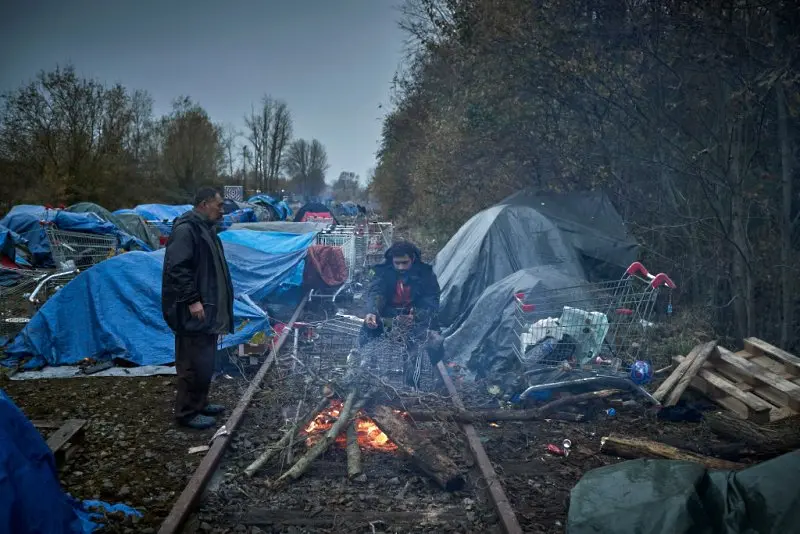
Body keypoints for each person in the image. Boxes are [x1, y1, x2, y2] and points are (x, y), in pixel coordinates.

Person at [162, 187, 234, 430]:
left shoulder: (206, 229)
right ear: (204, 204)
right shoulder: (187, 230)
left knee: (205, 360)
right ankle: (186, 413)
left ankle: (200, 403)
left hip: (207, 310)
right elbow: (177, 268)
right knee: (191, 363)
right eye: (219, 205)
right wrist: (192, 300)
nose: (222, 210)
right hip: (191, 310)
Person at [361, 241, 444, 366]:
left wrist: (416, 315)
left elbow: (431, 299)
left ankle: (424, 376)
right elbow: (376, 292)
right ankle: (364, 364)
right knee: (369, 327)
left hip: (417, 319)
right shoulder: (382, 272)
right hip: (390, 319)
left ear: (413, 259)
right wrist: (372, 311)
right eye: (397, 263)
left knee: (432, 341)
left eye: (405, 263)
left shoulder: (426, 273)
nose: (401, 267)